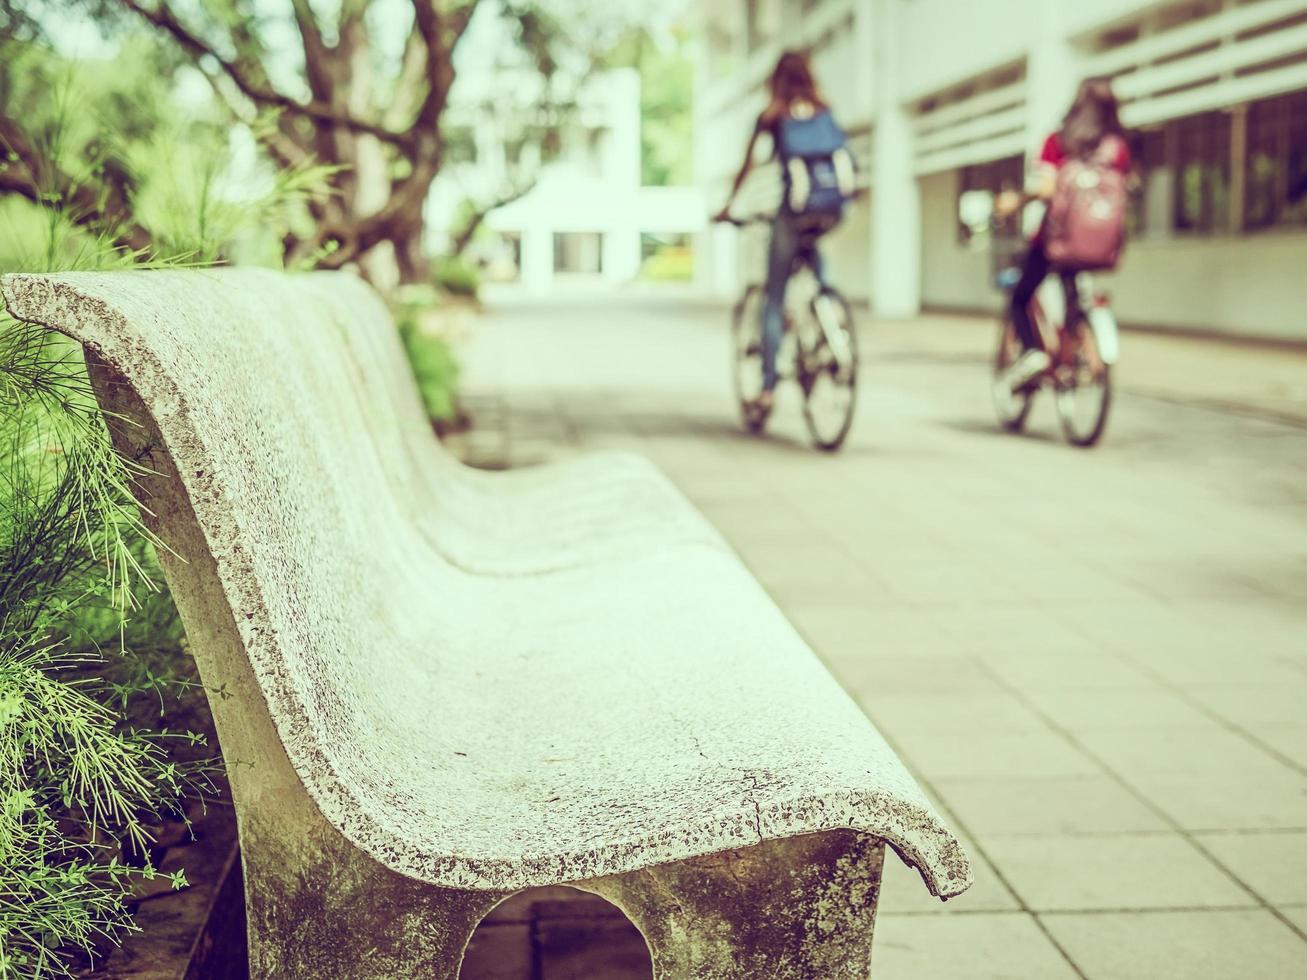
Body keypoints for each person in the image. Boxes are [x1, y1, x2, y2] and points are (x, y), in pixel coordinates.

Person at [713, 51, 848, 414]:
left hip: (793, 212)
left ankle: (768, 388)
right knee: (815, 270)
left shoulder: (773, 116)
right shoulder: (825, 110)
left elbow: (747, 166)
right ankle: (831, 318)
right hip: (829, 211)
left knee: (774, 299)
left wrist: (728, 206)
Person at [997, 77, 1131, 389]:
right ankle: (1080, 342)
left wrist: (1015, 200)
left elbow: (1045, 187)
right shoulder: (1117, 149)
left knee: (1020, 296)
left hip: (1054, 241)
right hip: (1101, 244)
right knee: (1075, 294)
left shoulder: (1059, 142)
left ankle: (1032, 352)